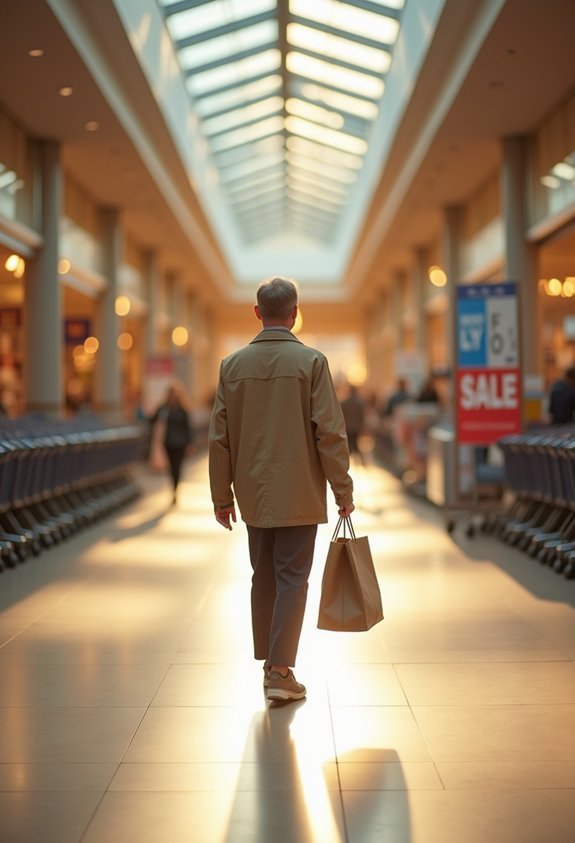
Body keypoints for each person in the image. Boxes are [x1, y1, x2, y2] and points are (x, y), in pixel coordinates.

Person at [208, 276, 354, 702]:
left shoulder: (231, 366)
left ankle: (270, 663)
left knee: (264, 576)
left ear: (257, 313)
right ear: (294, 313)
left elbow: (220, 439)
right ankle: (280, 670)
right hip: (300, 491)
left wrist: (222, 497)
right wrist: (342, 489)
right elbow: (330, 432)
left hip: (253, 491)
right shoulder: (311, 363)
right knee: (293, 578)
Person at [150, 383, 194, 504]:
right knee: (170, 467)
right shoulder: (164, 409)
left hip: (180, 443)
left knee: (177, 467)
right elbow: (152, 420)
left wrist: (190, 443)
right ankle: (173, 487)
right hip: (168, 443)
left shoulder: (183, 410)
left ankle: (175, 489)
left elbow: (188, 427)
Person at [340, 382, 366, 465]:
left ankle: (347, 462)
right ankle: (360, 462)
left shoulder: (344, 402)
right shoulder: (360, 403)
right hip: (356, 427)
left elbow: (341, 416)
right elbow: (362, 416)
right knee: (355, 444)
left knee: (349, 445)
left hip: (347, 426)